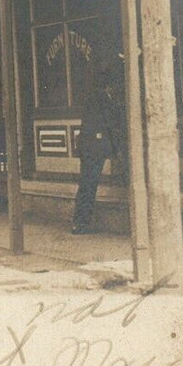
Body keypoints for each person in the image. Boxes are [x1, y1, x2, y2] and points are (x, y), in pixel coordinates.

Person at [72, 57, 125, 234]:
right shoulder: (103, 100)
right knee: (89, 184)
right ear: (109, 85)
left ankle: (80, 222)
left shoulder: (94, 98)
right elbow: (110, 125)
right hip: (94, 149)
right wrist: (117, 150)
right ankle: (81, 222)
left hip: (88, 148)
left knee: (86, 184)